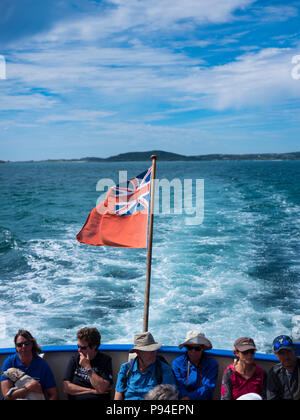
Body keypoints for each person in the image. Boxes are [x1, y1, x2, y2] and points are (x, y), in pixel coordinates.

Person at [114, 331, 176, 400]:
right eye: (149, 350)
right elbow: (118, 394)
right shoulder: (126, 369)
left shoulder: (163, 369)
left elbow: (170, 396)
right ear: (138, 352)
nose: (154, 353)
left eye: (154, 349)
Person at [0, 330, 58, 400]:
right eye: (19, 345)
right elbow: (7, 396)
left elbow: (54, 394)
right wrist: (29, 388)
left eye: (26, 343)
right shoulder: (9, 363)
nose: (23, 346)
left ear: (32, 344)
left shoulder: (42, 365)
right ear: (16, 347)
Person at [63, 327, 113, 400]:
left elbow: (102, 388)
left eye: (83, 348)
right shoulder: (75, 359)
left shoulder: (105, 360)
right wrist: (92, 391)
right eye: (78, 346)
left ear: (93, 347)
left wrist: (87, 367)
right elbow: (66, 388)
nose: (79, 350)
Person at [172, 330, 218, 400]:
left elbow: (208, 388)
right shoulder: (177, 363)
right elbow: (178, 386)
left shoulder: (212, 364)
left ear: (202, 349)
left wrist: (189, 398)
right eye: (190, 348)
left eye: (197, 348)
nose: (193, 351)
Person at [267, 335, 300, 400]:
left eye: (288, 351)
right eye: (282, 353)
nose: (286, 356)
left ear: (293, 350)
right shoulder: (274, 372)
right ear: (276, 355)